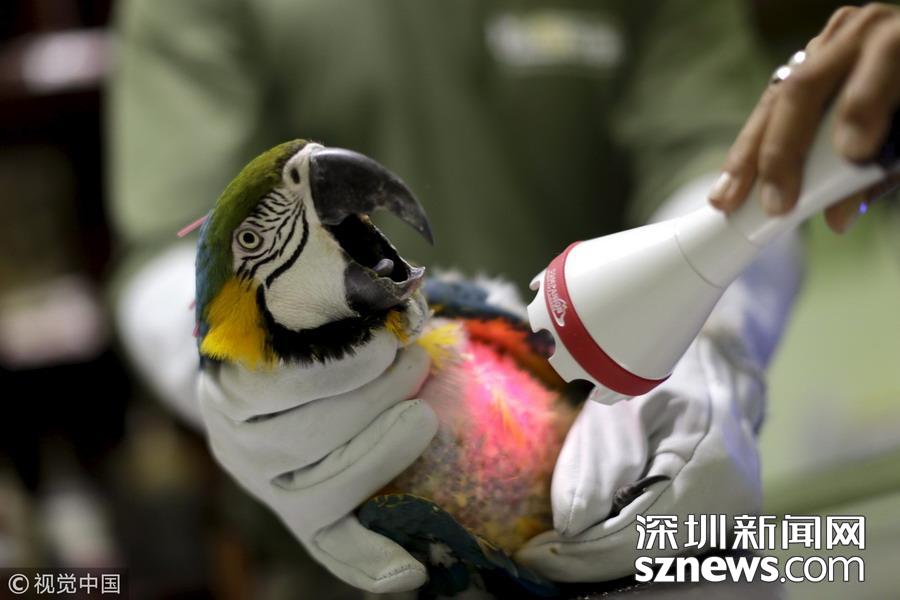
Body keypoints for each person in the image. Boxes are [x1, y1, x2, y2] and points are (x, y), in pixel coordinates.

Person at [108, 0, 900, 593]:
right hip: (347, 567)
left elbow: (736, 156)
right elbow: (165, 244)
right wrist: (243, 386)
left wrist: (709, 334)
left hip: (648, 521)